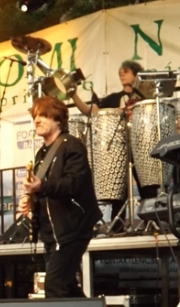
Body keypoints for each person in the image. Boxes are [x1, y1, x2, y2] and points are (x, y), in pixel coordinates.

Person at [19, 96, 102, 298]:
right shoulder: (41, 154)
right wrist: (30, 198)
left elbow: (74, 183)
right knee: (67, 286)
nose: (37, 120)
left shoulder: (71, 146)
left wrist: (42, 186)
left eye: (43, 115)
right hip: (52, 232)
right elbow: (44, 191)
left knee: (55, 285)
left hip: (72, 228)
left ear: (58, 120)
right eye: (35, 116)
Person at [72, 60, 156, 230]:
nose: (122, 74)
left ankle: (151, 222)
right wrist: (74, 95)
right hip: (119, 147)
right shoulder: (113, 98)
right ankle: (118, 226)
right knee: (119, 189)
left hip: (141, 144)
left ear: (136, 74)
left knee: (147, 186)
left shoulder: (146, 97)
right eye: (120, 72)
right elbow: (92, 112)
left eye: (126, 71)